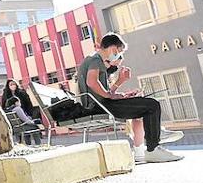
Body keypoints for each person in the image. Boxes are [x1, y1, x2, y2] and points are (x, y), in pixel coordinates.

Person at [77, 33, 182, 164]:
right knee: (152, 105)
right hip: (100, 106)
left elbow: (104, 92)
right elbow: (91, 82)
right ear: (113, 48)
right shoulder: (95, 59)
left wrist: (120, 86)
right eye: (119, 52)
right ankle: (153, 146)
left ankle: (155, 138)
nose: (118, 56)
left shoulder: (95, 60)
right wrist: (111, 96)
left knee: (144, 105)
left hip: (102, 104)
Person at [1, 79, 43, 145]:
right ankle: (38, 144)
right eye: (11, 84)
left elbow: (29, 106)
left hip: (19, 121)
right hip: (21, 121)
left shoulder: (22, 93)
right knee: (34, 127)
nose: (13, 86)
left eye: (14, 84)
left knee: (27, 128)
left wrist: (29, 116)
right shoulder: (8, 99)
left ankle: (28, 144)